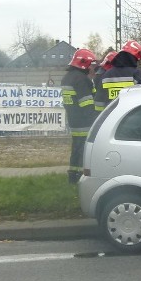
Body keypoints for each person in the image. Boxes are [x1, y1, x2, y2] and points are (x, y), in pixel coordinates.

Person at [61, 48, 98, 184]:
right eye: (90, 64)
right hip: (85, 122)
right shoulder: (81, 79)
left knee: (76, 148)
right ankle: (83, 178)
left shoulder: (67, 78)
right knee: (84, 149)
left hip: (73, 120)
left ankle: (73, 175)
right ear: (83, 63)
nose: (91, 67)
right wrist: (97, 120)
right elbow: (87, 103)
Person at [93, 40, 141, 111]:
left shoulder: (106, 75)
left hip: (109, 119)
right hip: (131, 118)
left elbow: (99, 104)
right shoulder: (137, 75)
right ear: (133, 57)